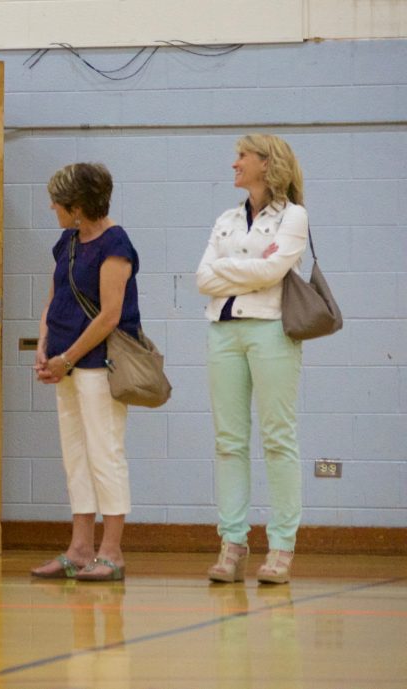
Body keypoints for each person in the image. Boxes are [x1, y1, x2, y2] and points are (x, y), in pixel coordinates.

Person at [196, 134, 309, 585]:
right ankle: (233, 543)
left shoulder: (293, 216)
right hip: (223, 332)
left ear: (266, 163)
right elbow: (202, 278)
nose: (234, 164)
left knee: (278, 437)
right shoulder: (225, 218)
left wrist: (228, 272)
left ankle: (281, 546)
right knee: (228, 441)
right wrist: (244, 273)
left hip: (272, 331)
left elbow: (273, 271)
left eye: (242, 156)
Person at [29, 163, 140, 582]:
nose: (51, 207)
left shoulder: (116, 243)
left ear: (78, 207)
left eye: (57, 202)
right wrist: (44, 346)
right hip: (65, 365)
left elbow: (109, 315)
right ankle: (79, 548)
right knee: (75, 456)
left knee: (105, 453)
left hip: (99, 365)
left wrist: (68, 357)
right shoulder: (67, 242)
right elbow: (53, 299)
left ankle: (111, 551)